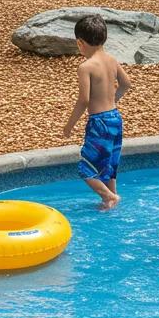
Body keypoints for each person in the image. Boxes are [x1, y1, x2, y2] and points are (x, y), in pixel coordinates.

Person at [63, 14, 131, 209]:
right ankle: (111, 197)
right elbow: (126, 84)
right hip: (115, 118)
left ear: (80, 43)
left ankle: (109, 197)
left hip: (99, 122)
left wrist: (69, 126)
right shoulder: (111, 60)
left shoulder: (86, 67)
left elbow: (84, 100)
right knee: (109, 164)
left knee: (86, 169)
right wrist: (112, 100)